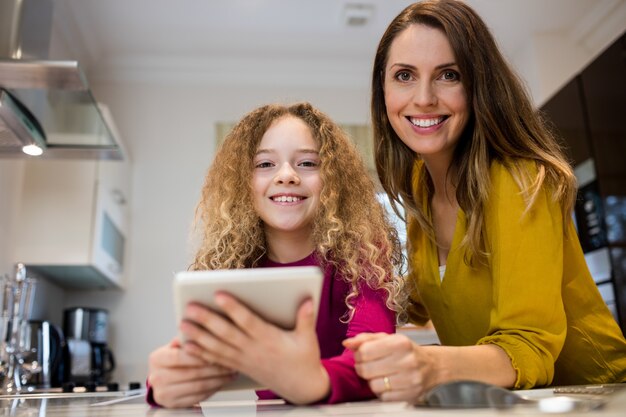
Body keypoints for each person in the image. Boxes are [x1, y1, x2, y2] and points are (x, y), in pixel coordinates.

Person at [344, 0, 626, 403]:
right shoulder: (421, 185)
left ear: (479, 85)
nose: (423, 98)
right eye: (404, 75)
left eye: (449, 75)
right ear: (382, 90)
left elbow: (528, 347)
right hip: (507, 402)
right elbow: (427, 296)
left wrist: (428, 365)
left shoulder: (517, 179)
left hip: (599, 396)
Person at [146, 102, 404, 408]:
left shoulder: (364, 253)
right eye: (265, 164)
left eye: (308, 163)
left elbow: (376, 358)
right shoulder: (230, 265)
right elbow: (190, 360)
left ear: (333, 180)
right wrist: (164, 385)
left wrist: (310, 382)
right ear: (243, 184)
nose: (286, 175)